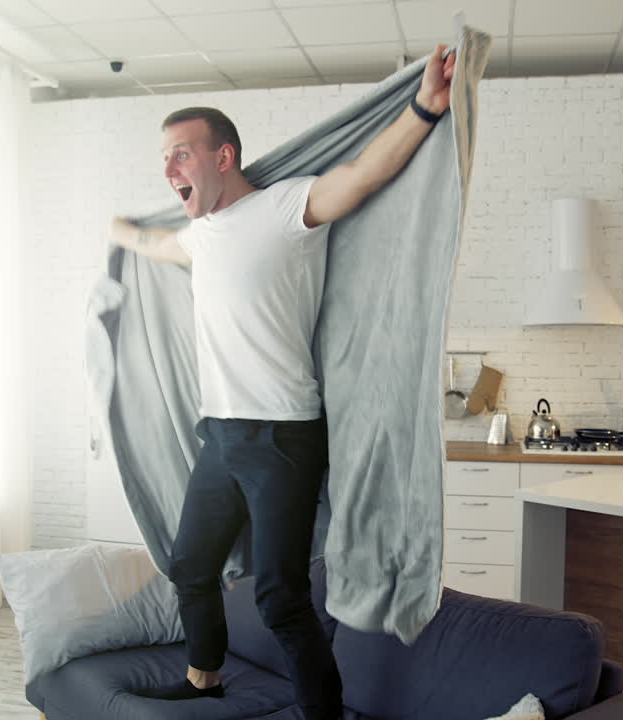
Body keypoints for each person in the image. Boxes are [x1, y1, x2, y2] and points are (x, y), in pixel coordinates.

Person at [108, 44, 456, 720]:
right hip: (220, 436)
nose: (169, 169)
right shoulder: (199, 236)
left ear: (223, 157)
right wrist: (116, 231)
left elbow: (363, 174)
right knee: (190, 567)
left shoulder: (285, 209)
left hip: (282, 438)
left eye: (181, 154)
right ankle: (204, 679)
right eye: (164, 158)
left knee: (280, 596)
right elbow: (153, 244)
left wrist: (423, 108)